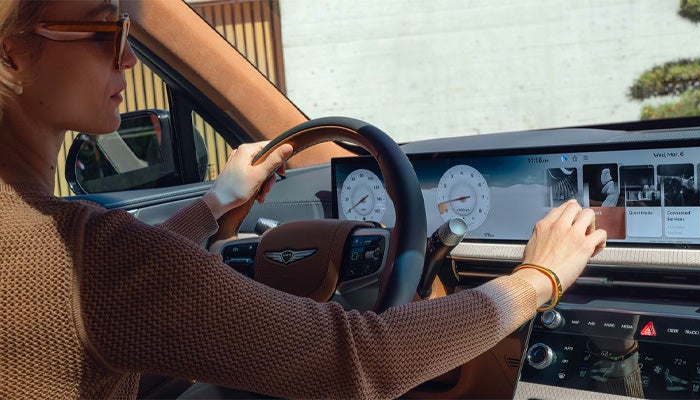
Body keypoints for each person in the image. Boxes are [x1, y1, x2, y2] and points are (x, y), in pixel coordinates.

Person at [0, 1, 607, 399]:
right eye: (109, 31)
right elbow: (367, 360)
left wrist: (214, 208)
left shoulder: (76, 251)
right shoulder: (86, 254)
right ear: (12, 53)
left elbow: (134, 277)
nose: (129, 55)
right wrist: (539, 277)